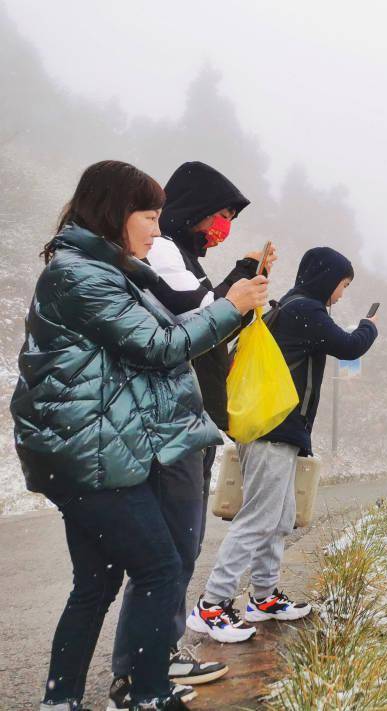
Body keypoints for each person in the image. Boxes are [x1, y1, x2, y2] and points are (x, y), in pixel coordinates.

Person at [10, 160, 268, 711]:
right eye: (149, 215)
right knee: (159, 567)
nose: (158, 226)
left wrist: (229, 308)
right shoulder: (81, 276)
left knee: (97, 585)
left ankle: (62, 702)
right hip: (90, 455)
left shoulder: (105, 270)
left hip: (90, 451)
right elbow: (159, 344)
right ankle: (147, 696)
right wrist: (230, 308)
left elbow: (160, 336)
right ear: (114, 213)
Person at [108, 161, 276, 704]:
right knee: (169, 552)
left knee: (174, 550)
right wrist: (239, 285)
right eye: (220, 215)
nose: (222, 225)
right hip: (171, 422)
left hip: (190, 419)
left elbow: (206, 312)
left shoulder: (184, 257)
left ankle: (154, 657)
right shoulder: (162, 253)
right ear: (193, 209)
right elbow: (190, 319)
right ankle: (145, 665)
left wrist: (241, 279)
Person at [189, 247, 378, 643]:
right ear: (328, 280)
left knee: (278, 519)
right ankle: (212, 604)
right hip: (273, 427)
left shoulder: (291, 308)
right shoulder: (304, 310)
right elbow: (349, 346)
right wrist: (369, 325)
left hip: (278, 428)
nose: (341, 294)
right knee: (259, 518)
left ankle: (263, 596)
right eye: (342, 285)